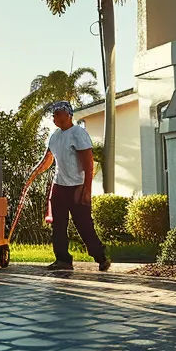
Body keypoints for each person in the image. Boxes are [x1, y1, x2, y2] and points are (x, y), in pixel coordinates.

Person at [24, 101, 110, 272]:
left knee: (84, 224)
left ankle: (100, 257)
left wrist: (86, 189)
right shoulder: (55, 136)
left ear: (68, 114)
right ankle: (63, 260)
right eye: (54, 115)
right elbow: (47, 160)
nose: (55, 117)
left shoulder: (78, 132)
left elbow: (88, 162)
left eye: (58, 114)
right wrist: (32, 175)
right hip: (59, 186)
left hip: (77, 186)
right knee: (58, 225)